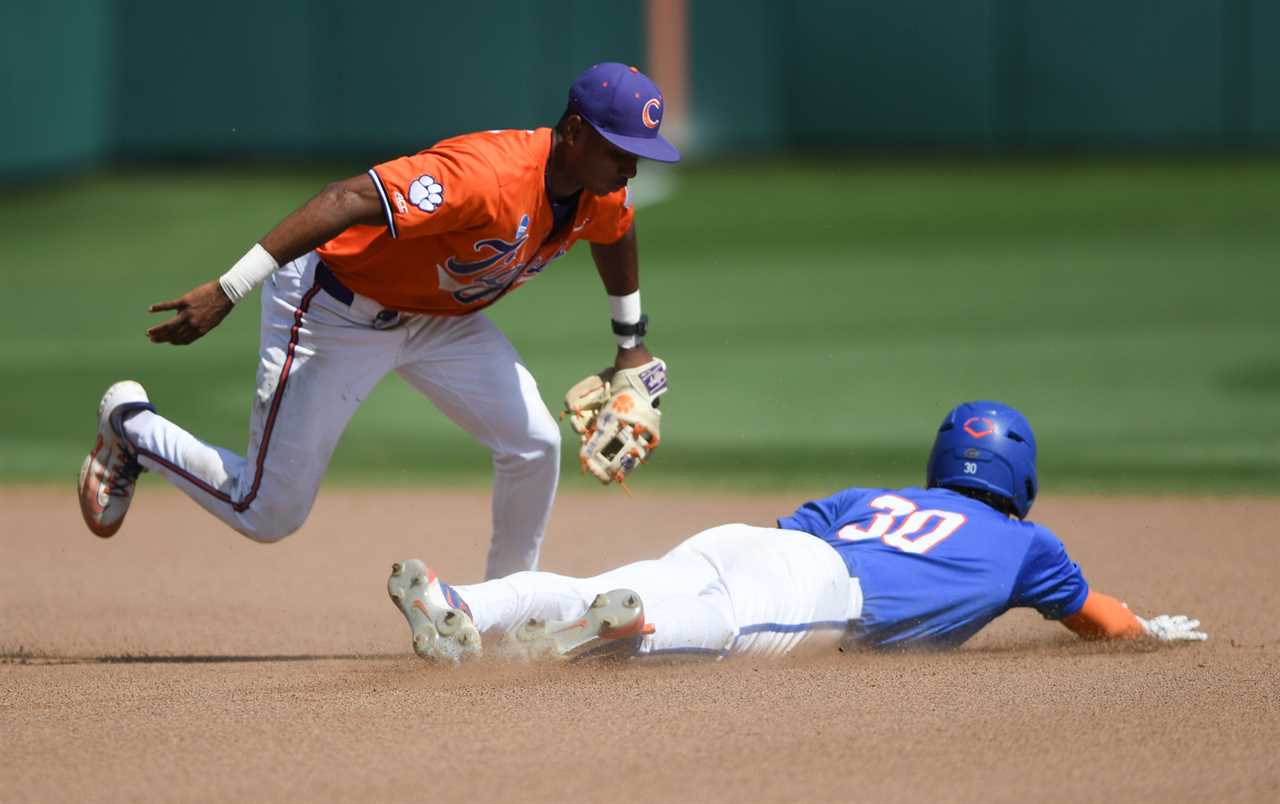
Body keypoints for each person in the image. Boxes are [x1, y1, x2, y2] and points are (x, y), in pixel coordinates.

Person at [77, 63, 677, 580]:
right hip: (334, 309)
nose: (631, 169)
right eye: (620, 151)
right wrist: (229, 288)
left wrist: (631, 343)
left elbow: (615, 230)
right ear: (574, 132)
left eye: (640, 156)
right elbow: (344, 198)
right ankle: (131, 427)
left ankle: (507, 606)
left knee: (535, 445)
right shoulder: (484, 176)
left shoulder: (599, 191)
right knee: (267, 512)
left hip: (441, 323)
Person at [385, 400, 1207, 663]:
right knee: (727, 626)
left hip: (750, 540)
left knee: (596, 577)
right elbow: (1101, 619)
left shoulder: (870, 495)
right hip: (824, 590)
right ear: (1019, 480)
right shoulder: (1033, 546)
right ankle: (629, 629)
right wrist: (1151, 632)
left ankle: (461, 600)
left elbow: (774, 539)